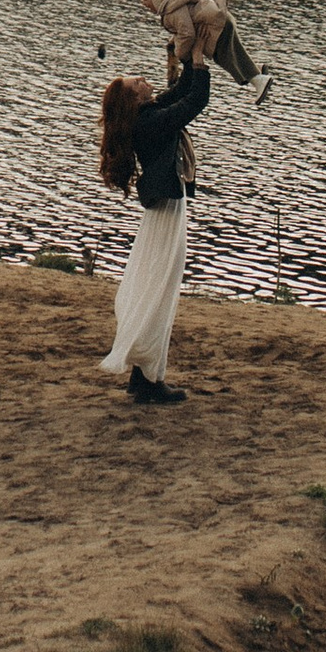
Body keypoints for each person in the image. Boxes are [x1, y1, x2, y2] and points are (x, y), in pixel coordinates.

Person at [95, 47, 211, 406]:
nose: (146, 81)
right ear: (135, 98)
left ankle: (142, 376)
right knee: (161, 291)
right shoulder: (148, 123)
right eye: (139, 82)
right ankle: (149, 382)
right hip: (165, 212)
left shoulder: (147, 114)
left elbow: (182, 92)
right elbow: (194, 103)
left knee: (157, 288)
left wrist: (192, 58)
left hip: (166, 209)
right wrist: (200, 65)